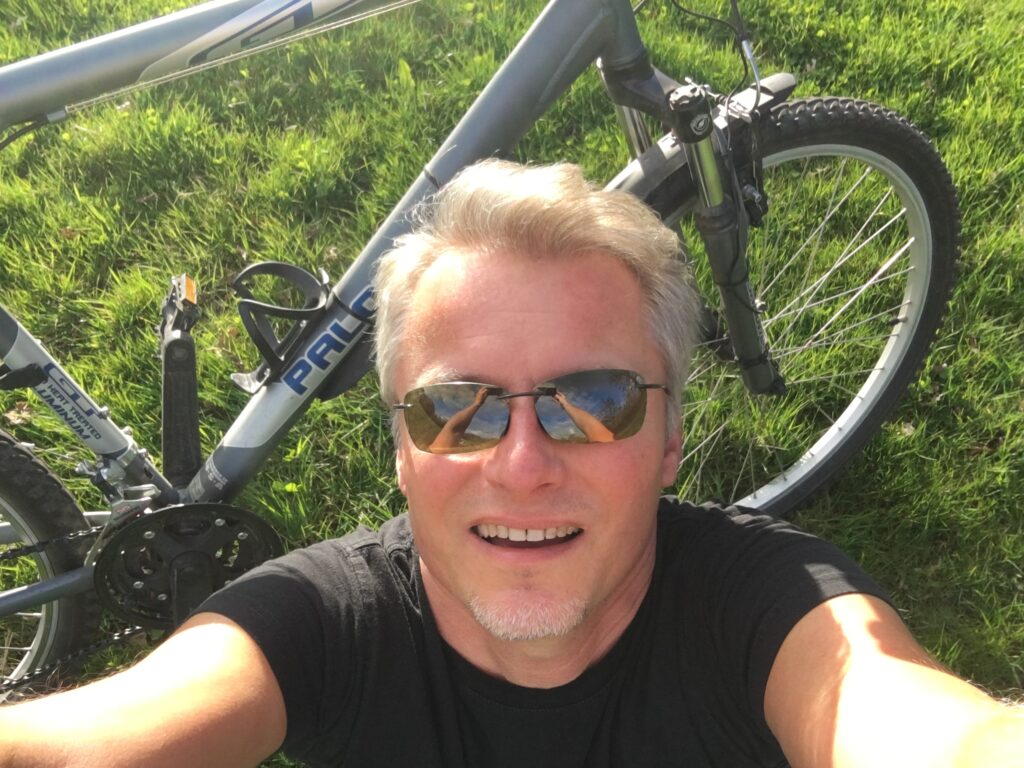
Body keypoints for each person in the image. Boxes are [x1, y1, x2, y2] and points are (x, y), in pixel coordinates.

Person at [0, 160, 1021, 768]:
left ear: (670, 441)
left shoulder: (768, 605)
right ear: (401, 449)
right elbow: (106, 743)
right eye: (456, 409)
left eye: (596, 402)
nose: (524, 463)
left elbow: (904, 723)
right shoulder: (321, 624)